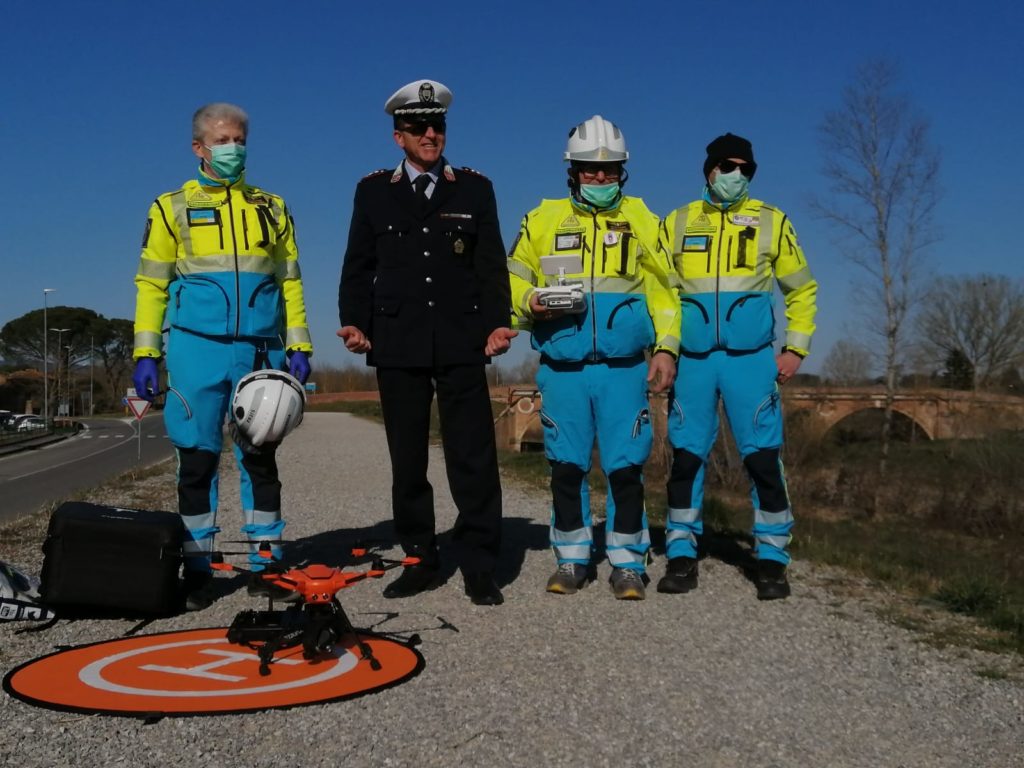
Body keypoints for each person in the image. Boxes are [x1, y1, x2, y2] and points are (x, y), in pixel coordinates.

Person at [337, 80, 515, 606]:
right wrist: (354, 321)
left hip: (462, 339)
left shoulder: (475, 188)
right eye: (418, 128)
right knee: (407, 458)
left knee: (473, 456)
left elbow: (491, 267)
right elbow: (358, 265)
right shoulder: (373, 190)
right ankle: (420, 557)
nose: (431, 134)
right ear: (399, 137)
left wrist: (497, 323)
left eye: (437, 126)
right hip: (397, 340)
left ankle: (481, 562)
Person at [132, 103, 313, 611]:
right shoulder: (171, 207)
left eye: (239, 139)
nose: (232, 148)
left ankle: (266, 563)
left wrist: (299, 343)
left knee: (260, 457)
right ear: (199, 148)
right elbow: (151, 284)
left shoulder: (272, 206)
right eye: (222, 140)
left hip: (260, 350)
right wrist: (147, 352)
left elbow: (290, 280)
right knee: (197, 459)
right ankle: (198, 569)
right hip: (195, 349)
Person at [508, 116, 680, 600]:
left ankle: (627, 563)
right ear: (573, 171)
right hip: (562, 369)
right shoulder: (541, 220)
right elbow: (512, 280)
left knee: (625, 469)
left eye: (609, 170)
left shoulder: (645, 220)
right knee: (566, 467)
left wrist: (666, 348)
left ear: (622, 171)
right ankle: (572, 559)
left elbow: (666, 292)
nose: (600, 178)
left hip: (624, 369)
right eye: (589, 169)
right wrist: (527, 304)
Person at [659, 132, 818, 600]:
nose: (736, 176)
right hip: (694, 363)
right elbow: (662, 293)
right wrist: (664, 349)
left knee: (763, 461)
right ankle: (682, 553)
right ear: (708, 170)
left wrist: (796, 348)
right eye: (726, 166)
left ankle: (771, 558)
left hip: (751, 362)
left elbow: (802, 289)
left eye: (744, 169)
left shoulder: (772, 220)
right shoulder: (678, 221)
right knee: (686, 460)